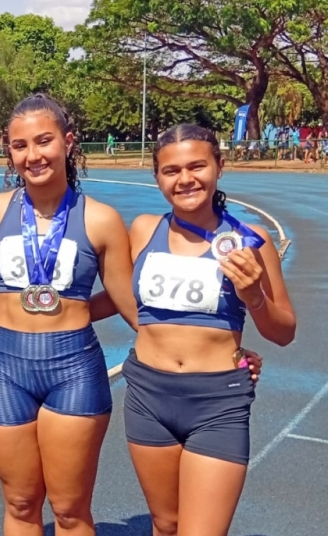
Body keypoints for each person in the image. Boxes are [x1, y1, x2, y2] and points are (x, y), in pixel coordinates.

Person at [0, 94, 138, 535]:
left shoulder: (101, 219)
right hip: (5, 367)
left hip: (73, 368)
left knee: (68, 509)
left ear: (68, 142)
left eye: (43, 141)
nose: (33, 155)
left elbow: (128, 301)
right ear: (9, 151)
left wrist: (215, 353)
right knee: (21, 502)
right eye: (20, 145)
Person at [124, 124, 296, 535]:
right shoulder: (143, 230)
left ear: (219, 165)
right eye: (171, 170)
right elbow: (115, 297)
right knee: (165, 525)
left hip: (218, 402)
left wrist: (253, 296)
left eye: (197, 166)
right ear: (157, 177)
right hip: (148, 396)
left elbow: (284, 331)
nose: (185, 179)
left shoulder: (251, 241)